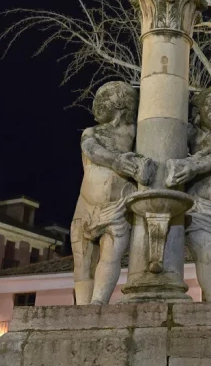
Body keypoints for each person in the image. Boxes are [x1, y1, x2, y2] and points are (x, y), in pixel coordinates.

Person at [71, 81, 155, 304]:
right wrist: (117, 161)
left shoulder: (137, 134)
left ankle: (98, 302)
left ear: (120, 105)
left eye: (104, 99)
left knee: (111, 256)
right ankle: (82, 307)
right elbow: (91, 150)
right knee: (83, 261)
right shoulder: (92, 132)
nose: (97, 104)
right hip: (86, 206)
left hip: (118, 206)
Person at [165, 87, 211, 302]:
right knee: (207, 254)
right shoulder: (189, 133)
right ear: (200, 109)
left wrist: (189, 166)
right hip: (198, 205)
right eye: (208, 105)